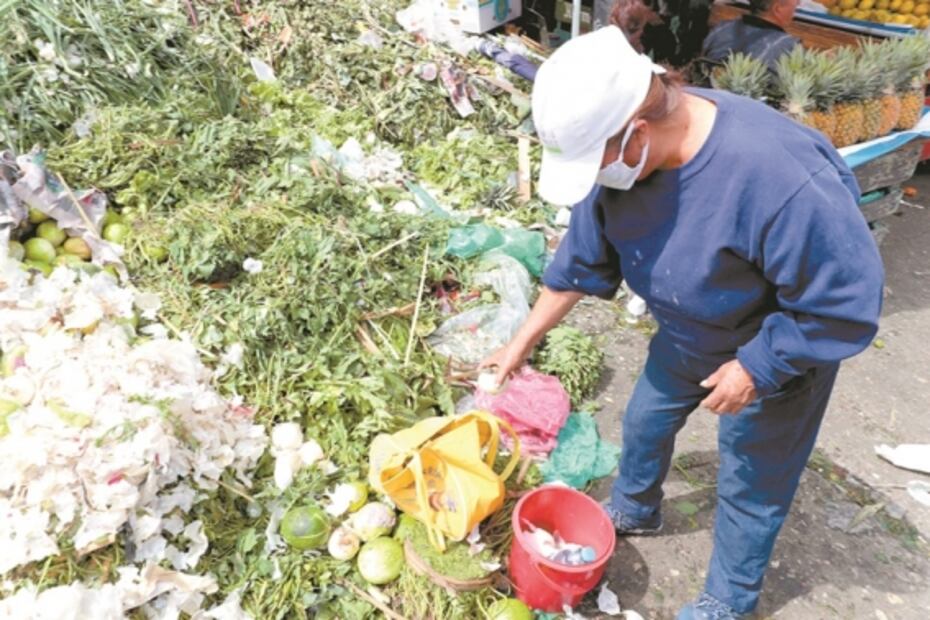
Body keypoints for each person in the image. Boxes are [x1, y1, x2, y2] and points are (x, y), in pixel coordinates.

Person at [481, 25, 883, 620]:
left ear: (639, 130)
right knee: (644, 421)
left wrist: (757, 367)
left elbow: (846, 303)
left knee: (751, 481)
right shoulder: (618, 169)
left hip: (773, 352)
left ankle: (729, 600)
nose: (597, 177)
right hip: (685, 333)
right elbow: (578, 266)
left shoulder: (776, 176)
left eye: (598, 160)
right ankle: (636, 508)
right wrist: (516, 346)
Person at [702, 0, 801, 70]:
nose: (798, 4)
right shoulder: (787, 45)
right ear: (777, 9)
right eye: (796, 2)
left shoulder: (722, 28)